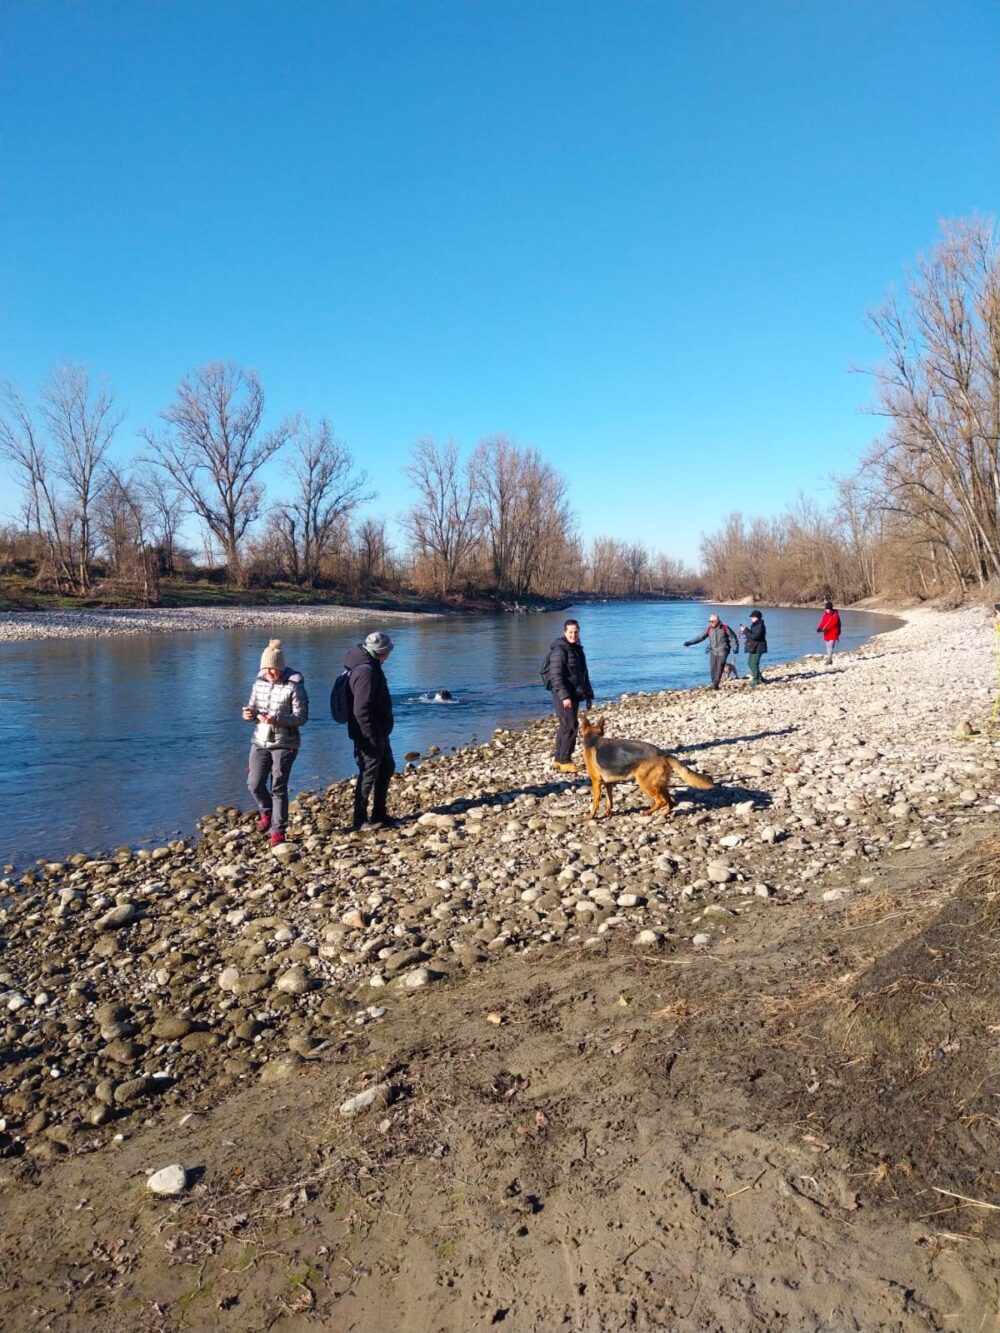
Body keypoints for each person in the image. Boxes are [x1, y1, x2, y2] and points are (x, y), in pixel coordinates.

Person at [242, 639, 309, 848]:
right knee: (254, 783)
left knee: (278, 786)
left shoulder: (294, 687)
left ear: (280, 667)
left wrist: (276, 720)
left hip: (285, 742)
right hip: (260, 740)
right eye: (266, 669)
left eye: (273, 669)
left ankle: (278, 830)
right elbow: (252, 708)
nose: (269, 673)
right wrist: (248, 714)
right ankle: (266, 811)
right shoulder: (258, 683)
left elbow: (302, 717)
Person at [343, 630, 396, 831]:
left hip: (379, 731)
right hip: (369, 734)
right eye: (388, 650)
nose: (390, 654)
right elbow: (360, 710)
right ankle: (360, 820)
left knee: (386, 768)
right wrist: (372, 736)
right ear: (381, 651)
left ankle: (379, 814)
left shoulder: (372, 665)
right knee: (368, 775)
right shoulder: (365, 672)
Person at [544, 618, 595, 773]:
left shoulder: (577, 649)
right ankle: (565, 760)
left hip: (574, 693)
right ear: (564, 632)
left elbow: (583, 674)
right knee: (570, 726)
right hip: (564, 695)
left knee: (566, 725)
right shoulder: (560, 650)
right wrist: (564, 696)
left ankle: (559, 759)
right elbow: (556, 675)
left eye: (576, 632)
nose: (573, 635)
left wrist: (589, 694)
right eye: (570, 632)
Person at [683, 613, 739, 690]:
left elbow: (733, 637)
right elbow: (700, 637)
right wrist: (690, 642)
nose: (711, 623)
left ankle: (716, 684)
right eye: (710, 621)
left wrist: (735, 647)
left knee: (720, 666)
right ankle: (714, 683)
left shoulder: (725, 628)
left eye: (712, 621)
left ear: (717, 620)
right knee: (713, 668)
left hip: (723, 650)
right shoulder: (709, 629)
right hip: (713, 651)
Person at [739, 610, 768, 686]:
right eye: (751, 617)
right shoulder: (755, 625)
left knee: (754, 663)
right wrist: (746, 630)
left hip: (759, 647)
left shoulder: (760, 625)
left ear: (757, 617)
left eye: (752, 617)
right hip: (753, 647)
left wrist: (745, 631)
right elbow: (752, 634)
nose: (751, 618)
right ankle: (759, 677)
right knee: (750, 662)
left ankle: (756, 680)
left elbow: (755, 636)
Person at [817, 600, 842, 666]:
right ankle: (830, 659)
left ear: (831, 609)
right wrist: (819, 628)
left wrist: (826, 629)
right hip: (826, 633)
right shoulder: (825, 615)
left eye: (828, 609)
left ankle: (829, 659)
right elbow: (822, 622)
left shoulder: (835, 615)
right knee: (827, 646)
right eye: (826, 609)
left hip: (833, 633)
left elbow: (833, 624)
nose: (827, 610)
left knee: (830, 646)